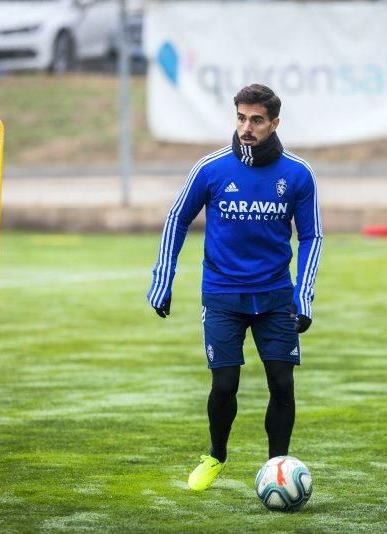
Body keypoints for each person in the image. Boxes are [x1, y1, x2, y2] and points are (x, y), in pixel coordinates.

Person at [147, 84, 323, 491]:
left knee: (282, 383)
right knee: (224, 384)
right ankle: (216, 455)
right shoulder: (211, 168)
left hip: (277, 297)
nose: (247, 127)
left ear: (274, 123)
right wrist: (163, 279)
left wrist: (303, 295)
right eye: (241, 118)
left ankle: (277, 465)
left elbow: (312, 237)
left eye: (257, 120)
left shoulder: (298, 174)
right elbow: (177, 220)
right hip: (223, 295)